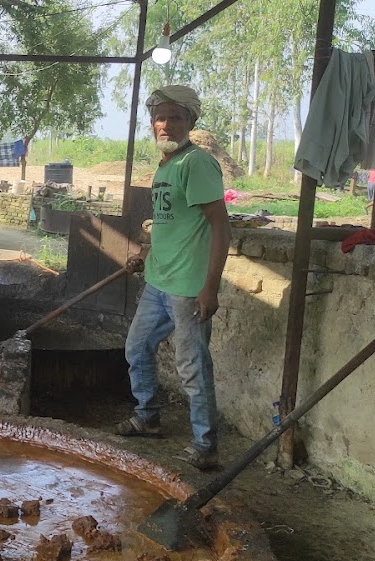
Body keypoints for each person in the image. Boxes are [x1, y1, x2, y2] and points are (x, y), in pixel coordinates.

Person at [115, 85, 231, 471]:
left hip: (188, 288)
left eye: (174, 117)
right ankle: (147, 417)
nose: (165, 125)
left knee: (192, 366)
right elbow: (171, 225)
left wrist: (210, 287)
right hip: (159, 281)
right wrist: (144, 254)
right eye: (159, 118)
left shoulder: (197, 163)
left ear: (191, 122)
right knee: (137, 348)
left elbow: (220, 227)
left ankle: (205, 445)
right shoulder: (167, 165)